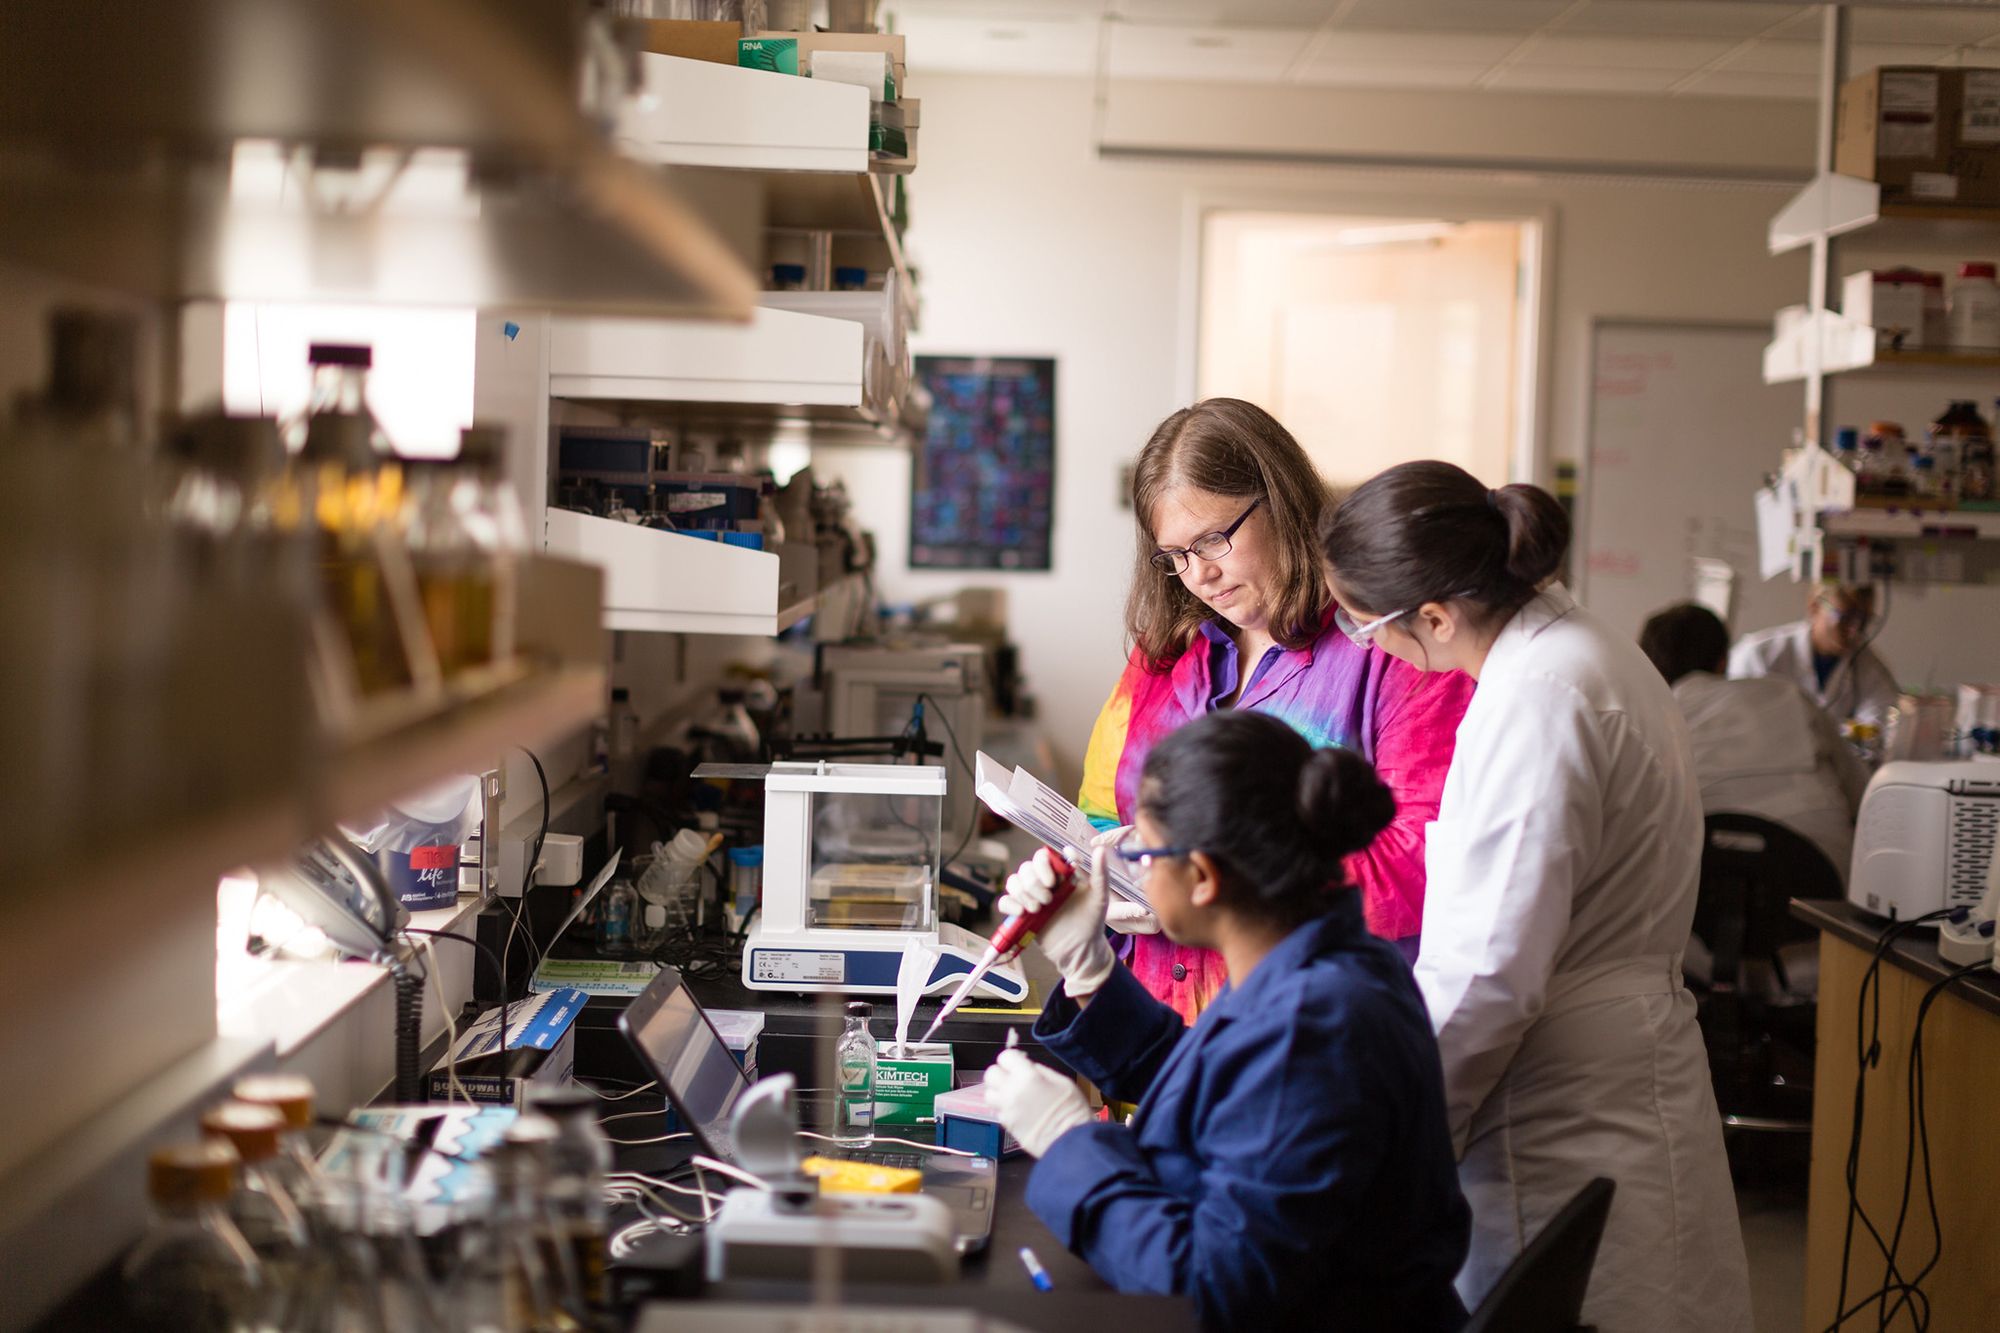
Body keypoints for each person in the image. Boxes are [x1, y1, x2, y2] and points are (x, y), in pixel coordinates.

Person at [1318, 462, 1752, 1333]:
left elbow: (1489, 974)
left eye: (1368, 633)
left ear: (1434, 617)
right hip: (1608, 1068)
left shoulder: (1539, 699)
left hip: (1570, 1102)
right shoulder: (1571, 653)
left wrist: (1402, 1148)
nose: (1376, 653)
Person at [984, 710, 1471, 1332]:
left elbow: (1216, 1292)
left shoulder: (1313, 1025)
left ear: (1203, 877)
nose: (1133, 866)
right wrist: (1089, 972)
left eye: (1143, 851)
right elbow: (1227, 1089)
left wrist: (1069, 1143)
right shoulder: (1325, 964)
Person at [1081, 398, 1474, 1017]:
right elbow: (1101, 810)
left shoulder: (1394, 650)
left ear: (1280, 500)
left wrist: (1219, 892)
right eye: (1175, 556)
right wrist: (1106, 867)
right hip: (1158, 1025)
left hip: (1309, 1022)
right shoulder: (1163, 658)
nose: (1199, 576)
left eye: (1213, 540)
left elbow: (1420, 860)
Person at [1642, 602, 1868, 881]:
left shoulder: (1655, 717)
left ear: (1649, 666)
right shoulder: (1787, 693)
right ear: (1723, 659)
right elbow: (1862, 794)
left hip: (1707, 866)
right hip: (1817, 863)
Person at [1728, 580, 1899, 728]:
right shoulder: (1758, 656)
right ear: (1814, 606)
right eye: (1845, 617)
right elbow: (1740, 724)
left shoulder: (1869, 667)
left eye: (1864, 621)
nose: (1855, 631)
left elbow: (1879, 724)